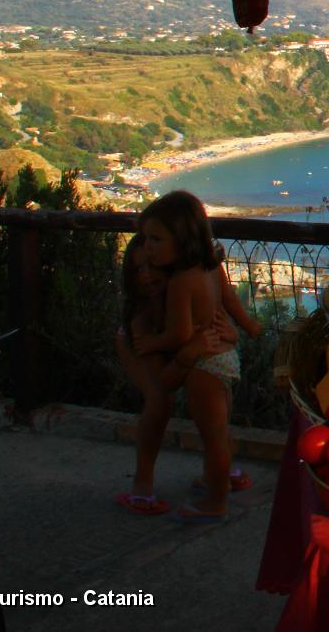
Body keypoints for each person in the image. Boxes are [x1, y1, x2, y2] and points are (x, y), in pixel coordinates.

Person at [138, 190, 258, 523]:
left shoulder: (179, 282)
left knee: (212, 437)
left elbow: (180, 334)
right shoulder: (211, 267)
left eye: (156, 239)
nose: (147, 247)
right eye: (146, 239)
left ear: (182, 239)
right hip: (226, 357)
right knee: (221, 431)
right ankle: (214, 480)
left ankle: (216, 501)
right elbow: (232, 301)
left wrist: (152, 343)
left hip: (203, 365)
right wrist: (250, 326)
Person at [112, 233, 238, 515]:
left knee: (216, 394)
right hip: (139, 346)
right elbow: (163, 382)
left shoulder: (185, 291)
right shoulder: (142, 316)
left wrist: (230, 334)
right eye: (137, 270)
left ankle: (216, 469)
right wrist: (189, 354)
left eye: (152, 268)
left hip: (180, 351)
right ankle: (142, 485)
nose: (146, 276)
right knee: (159, 402)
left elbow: (222, 327)